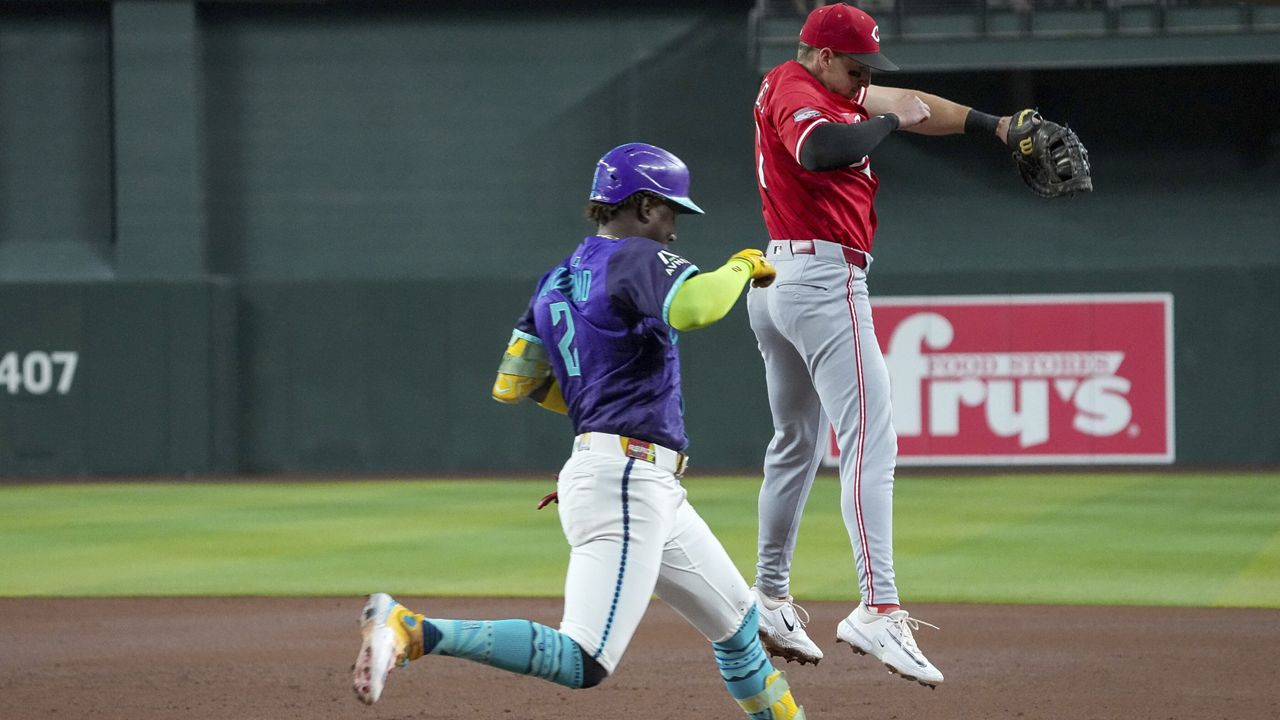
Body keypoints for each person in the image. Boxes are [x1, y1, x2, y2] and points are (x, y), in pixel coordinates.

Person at [352, 142, 805, 719]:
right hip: (627, 480)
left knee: (740, 629)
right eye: (670, 211)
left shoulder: (557, 278)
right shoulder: (635, 256)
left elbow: (515, 383)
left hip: (634, 479)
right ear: (642, 205)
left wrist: (599, 421)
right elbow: (697, 309)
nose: (673, 228)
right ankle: (413, 631)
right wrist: (742, 263)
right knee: (585, 659)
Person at [747, 2, 1022, 687]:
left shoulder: (835, 86)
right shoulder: (797, 87)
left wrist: (998, 126)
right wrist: (888, 122)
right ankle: (878, 608)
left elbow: (917, 104)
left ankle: (770, 599)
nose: (864, 77)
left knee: (797, 445)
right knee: (870, 441)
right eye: (855, 65)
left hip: (784, 277)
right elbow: (818, 151)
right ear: (818, 54)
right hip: (820, 278)